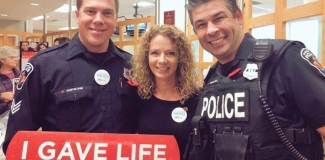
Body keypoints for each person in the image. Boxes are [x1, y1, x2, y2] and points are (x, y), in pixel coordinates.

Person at [185, 0, 325, 159]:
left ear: (238, 16)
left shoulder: (284, 59)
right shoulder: (212, 78)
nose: (211, 30)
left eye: (218, 18)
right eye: (201, 25)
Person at [3, 0, 138, 154]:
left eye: (107, 13)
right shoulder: (44, 65)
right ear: (77, 15)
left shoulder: (131, 65)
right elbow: (17, 142)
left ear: (115, 19)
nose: (99, 19)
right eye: (91, 11)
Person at [132, 25, 201, 159]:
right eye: (155, 53)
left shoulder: (196, 99)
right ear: (146, 57)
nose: (162, 60)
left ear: (180, 58)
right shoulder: (137, 98)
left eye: (170, 53)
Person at [0, 46, 20, 159]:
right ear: (2, 60)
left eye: (16, 57)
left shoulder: (21, 74)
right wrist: (1, 95)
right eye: (12, 57)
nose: (16, 59)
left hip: (15, 116)